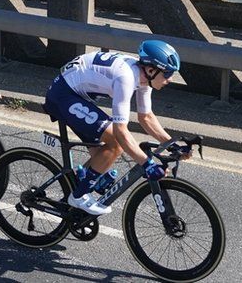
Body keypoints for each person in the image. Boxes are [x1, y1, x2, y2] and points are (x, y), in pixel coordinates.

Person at [43, 39, 188, 215]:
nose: (170, 79)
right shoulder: (126, 78)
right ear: (151, 70)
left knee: (103, 158)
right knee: (115, 143)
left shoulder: (144, 77)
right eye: (167, 74)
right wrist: (147, 164)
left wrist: (172, 145)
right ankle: (79, 196)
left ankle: (79, 195)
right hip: (64, 95)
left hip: (76, 94)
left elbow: (146, 117)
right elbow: (121, 132)